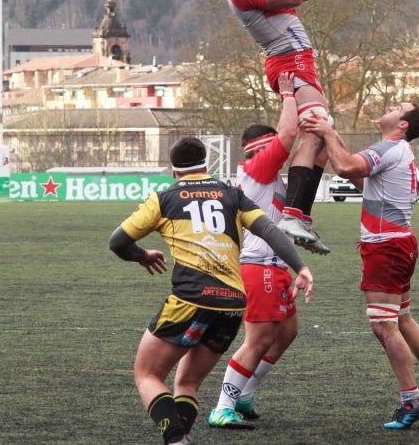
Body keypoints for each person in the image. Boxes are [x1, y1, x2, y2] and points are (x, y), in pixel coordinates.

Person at [108, 136, 314, 445]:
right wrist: (301, 267)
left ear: (173, 169)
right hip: (231, 305)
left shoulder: (165, 198)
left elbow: (118, 242)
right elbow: (270, 230)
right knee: (187, 383)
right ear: (207, 164)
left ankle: (176, 440)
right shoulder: (232, 194)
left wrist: (143, 256)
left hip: (190, 298)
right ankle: (181, 439)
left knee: (147, 374)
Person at [301, 102, 419, 430]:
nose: (388, 107)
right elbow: (359, 176)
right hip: (399, 244)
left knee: (384, 325)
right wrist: (333, 137)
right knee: (402, 318)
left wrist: (327, 132)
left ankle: (411, 400)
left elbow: (344, 168)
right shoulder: (400, 153)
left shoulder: (389, 148)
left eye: (397, 107)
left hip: (386, 247)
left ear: (402, 124)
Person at [218, 0, 332, 255]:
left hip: (300, 59)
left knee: (322, 140)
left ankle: (300, 219)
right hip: (288, 61)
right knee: (314, 129)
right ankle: (292, 217)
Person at [208, 72, 307, 429]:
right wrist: (288, 95)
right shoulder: (257, 167)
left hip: (273, 265)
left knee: (287, 332)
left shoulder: (267, 175)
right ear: (261, 148)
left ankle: (245, 394)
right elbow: (289, 134)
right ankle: (223, 406)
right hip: (259, 265)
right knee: (260, 339)